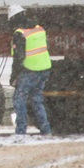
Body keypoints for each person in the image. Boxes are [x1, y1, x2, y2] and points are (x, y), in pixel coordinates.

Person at [9, 7, 52, 136]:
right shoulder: (39, 28)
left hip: (29, 70)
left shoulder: (19, 33)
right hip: (44, 69)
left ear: (14, 18)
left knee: (19, 100)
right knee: (37, 100)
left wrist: (14, 76)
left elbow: (19, 58)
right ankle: (46, 130)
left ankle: (21, 131)